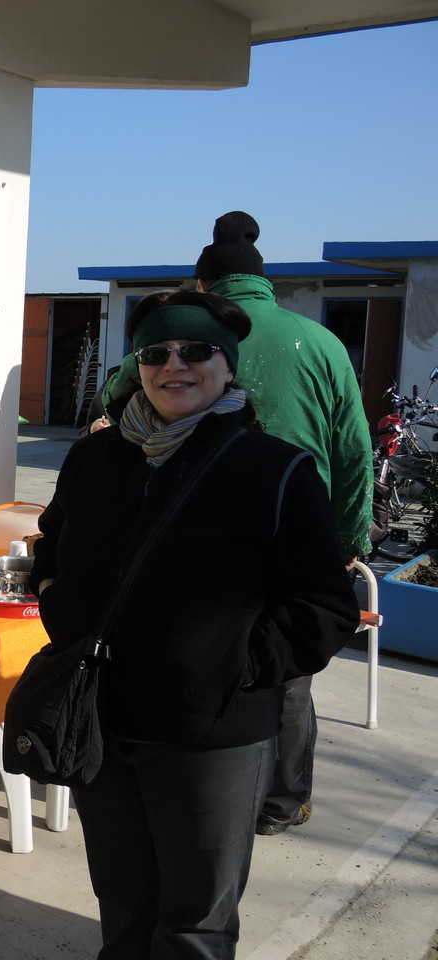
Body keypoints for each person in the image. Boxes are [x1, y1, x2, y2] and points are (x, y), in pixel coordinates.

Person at [32, 289, 360, 959]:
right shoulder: (94, 459)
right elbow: (52, 549)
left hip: (213, 736)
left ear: (228, 364)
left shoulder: (275, 470)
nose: (175, 365)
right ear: (138, 364)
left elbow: (325, 605)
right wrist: (59, 607)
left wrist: (239, 666)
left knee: (195, 924)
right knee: (124, 906)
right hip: (106, 723)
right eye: (157, 351)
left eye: (197, 351)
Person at [101, 211, 375, 835]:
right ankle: (283, 799)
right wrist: (349, 540)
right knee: (290, 678)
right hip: (298, 537)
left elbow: (114, 398)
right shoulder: (323, 342)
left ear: (203, 287)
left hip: (186, 532)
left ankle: (181, 789)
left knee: (186, 656)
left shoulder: (176, 337)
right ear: (265, 283)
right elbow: (355, 449)